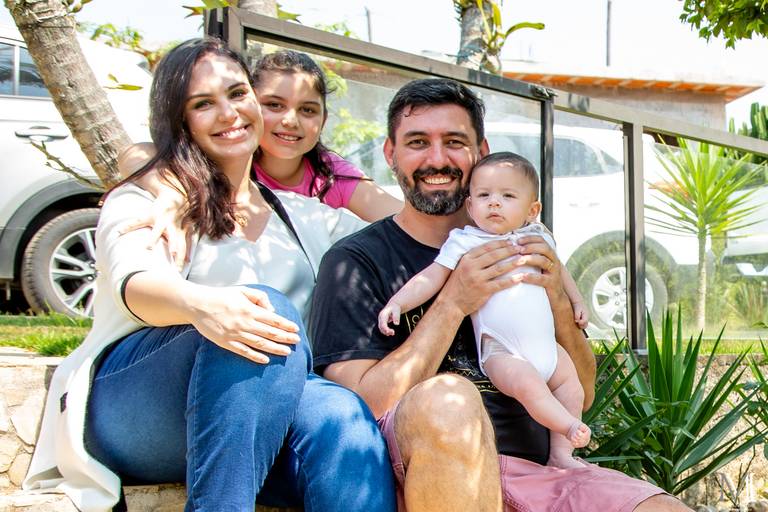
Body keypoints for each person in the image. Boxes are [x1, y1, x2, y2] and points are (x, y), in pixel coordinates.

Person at [23, 38, 395, 512]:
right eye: (203, 104)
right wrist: (204, 306)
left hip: (258, 421)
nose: (228, 113)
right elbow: (135, 285)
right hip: (135, 407)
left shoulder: (306, 216)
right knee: (260, 307)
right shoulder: (147, 199)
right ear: (180, 120)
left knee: (340, 415)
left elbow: (399, 235)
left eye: (237, 94)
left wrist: (494, 218)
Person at [310, 77, 692, 512]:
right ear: (390, 154)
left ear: (482, 153)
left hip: (539, 473)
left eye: (454, 142)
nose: (437, 158)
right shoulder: (354, 262)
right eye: (417, 142)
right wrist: (454, 301)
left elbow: (582, 393)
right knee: (449, 398)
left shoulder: (530, 245)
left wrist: (559, 301)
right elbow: (358, 406)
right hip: (427, 473)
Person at [378, 151, 590, 469]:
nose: (494, 203)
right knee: (529, 386)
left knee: (571, 386)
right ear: (470, 206)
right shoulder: (466, 241)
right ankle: (568, 426)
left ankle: (561, 454)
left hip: (547, 345)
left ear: (532, 210)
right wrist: (398, 303)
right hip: (501, 352)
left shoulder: (538, 237)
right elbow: (431, 277)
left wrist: (577, 302)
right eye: (484, 195)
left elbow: (558, 272)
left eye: (507, 196)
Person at [119, 49, 401, 236]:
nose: (291, 120)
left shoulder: (330, 174)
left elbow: (401, 220)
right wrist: (169, 192)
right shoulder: (234, 159)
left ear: (323, 121)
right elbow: (138, 154)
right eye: (274, 105)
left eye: (307, 110)